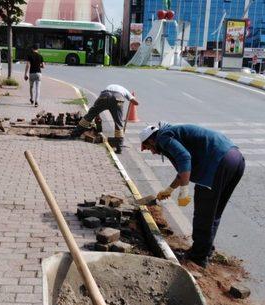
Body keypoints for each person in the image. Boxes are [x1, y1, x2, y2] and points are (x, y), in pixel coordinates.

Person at [139, 123, 245, 268]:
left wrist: (184, 190)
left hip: (218, 163)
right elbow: (184, 169)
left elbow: (184, 158)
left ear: (151, 140)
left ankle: (198, 258)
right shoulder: (173, 134)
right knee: (213, 213)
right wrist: (170, 189)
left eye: (149, 148)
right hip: (236, 159)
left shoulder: (163, 138)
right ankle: (206, 250)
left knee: (203, 213)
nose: (152, 152)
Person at [72, 84, 139, 154]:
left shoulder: (108, 88)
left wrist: (96, 114)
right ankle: (119, 146)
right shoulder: (124, 90)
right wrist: (136, 102)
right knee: (118, 122)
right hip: (118, 99)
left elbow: (97, 103)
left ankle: (75, 133)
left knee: (90, 115)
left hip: (105, 96)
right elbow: (134, 101)